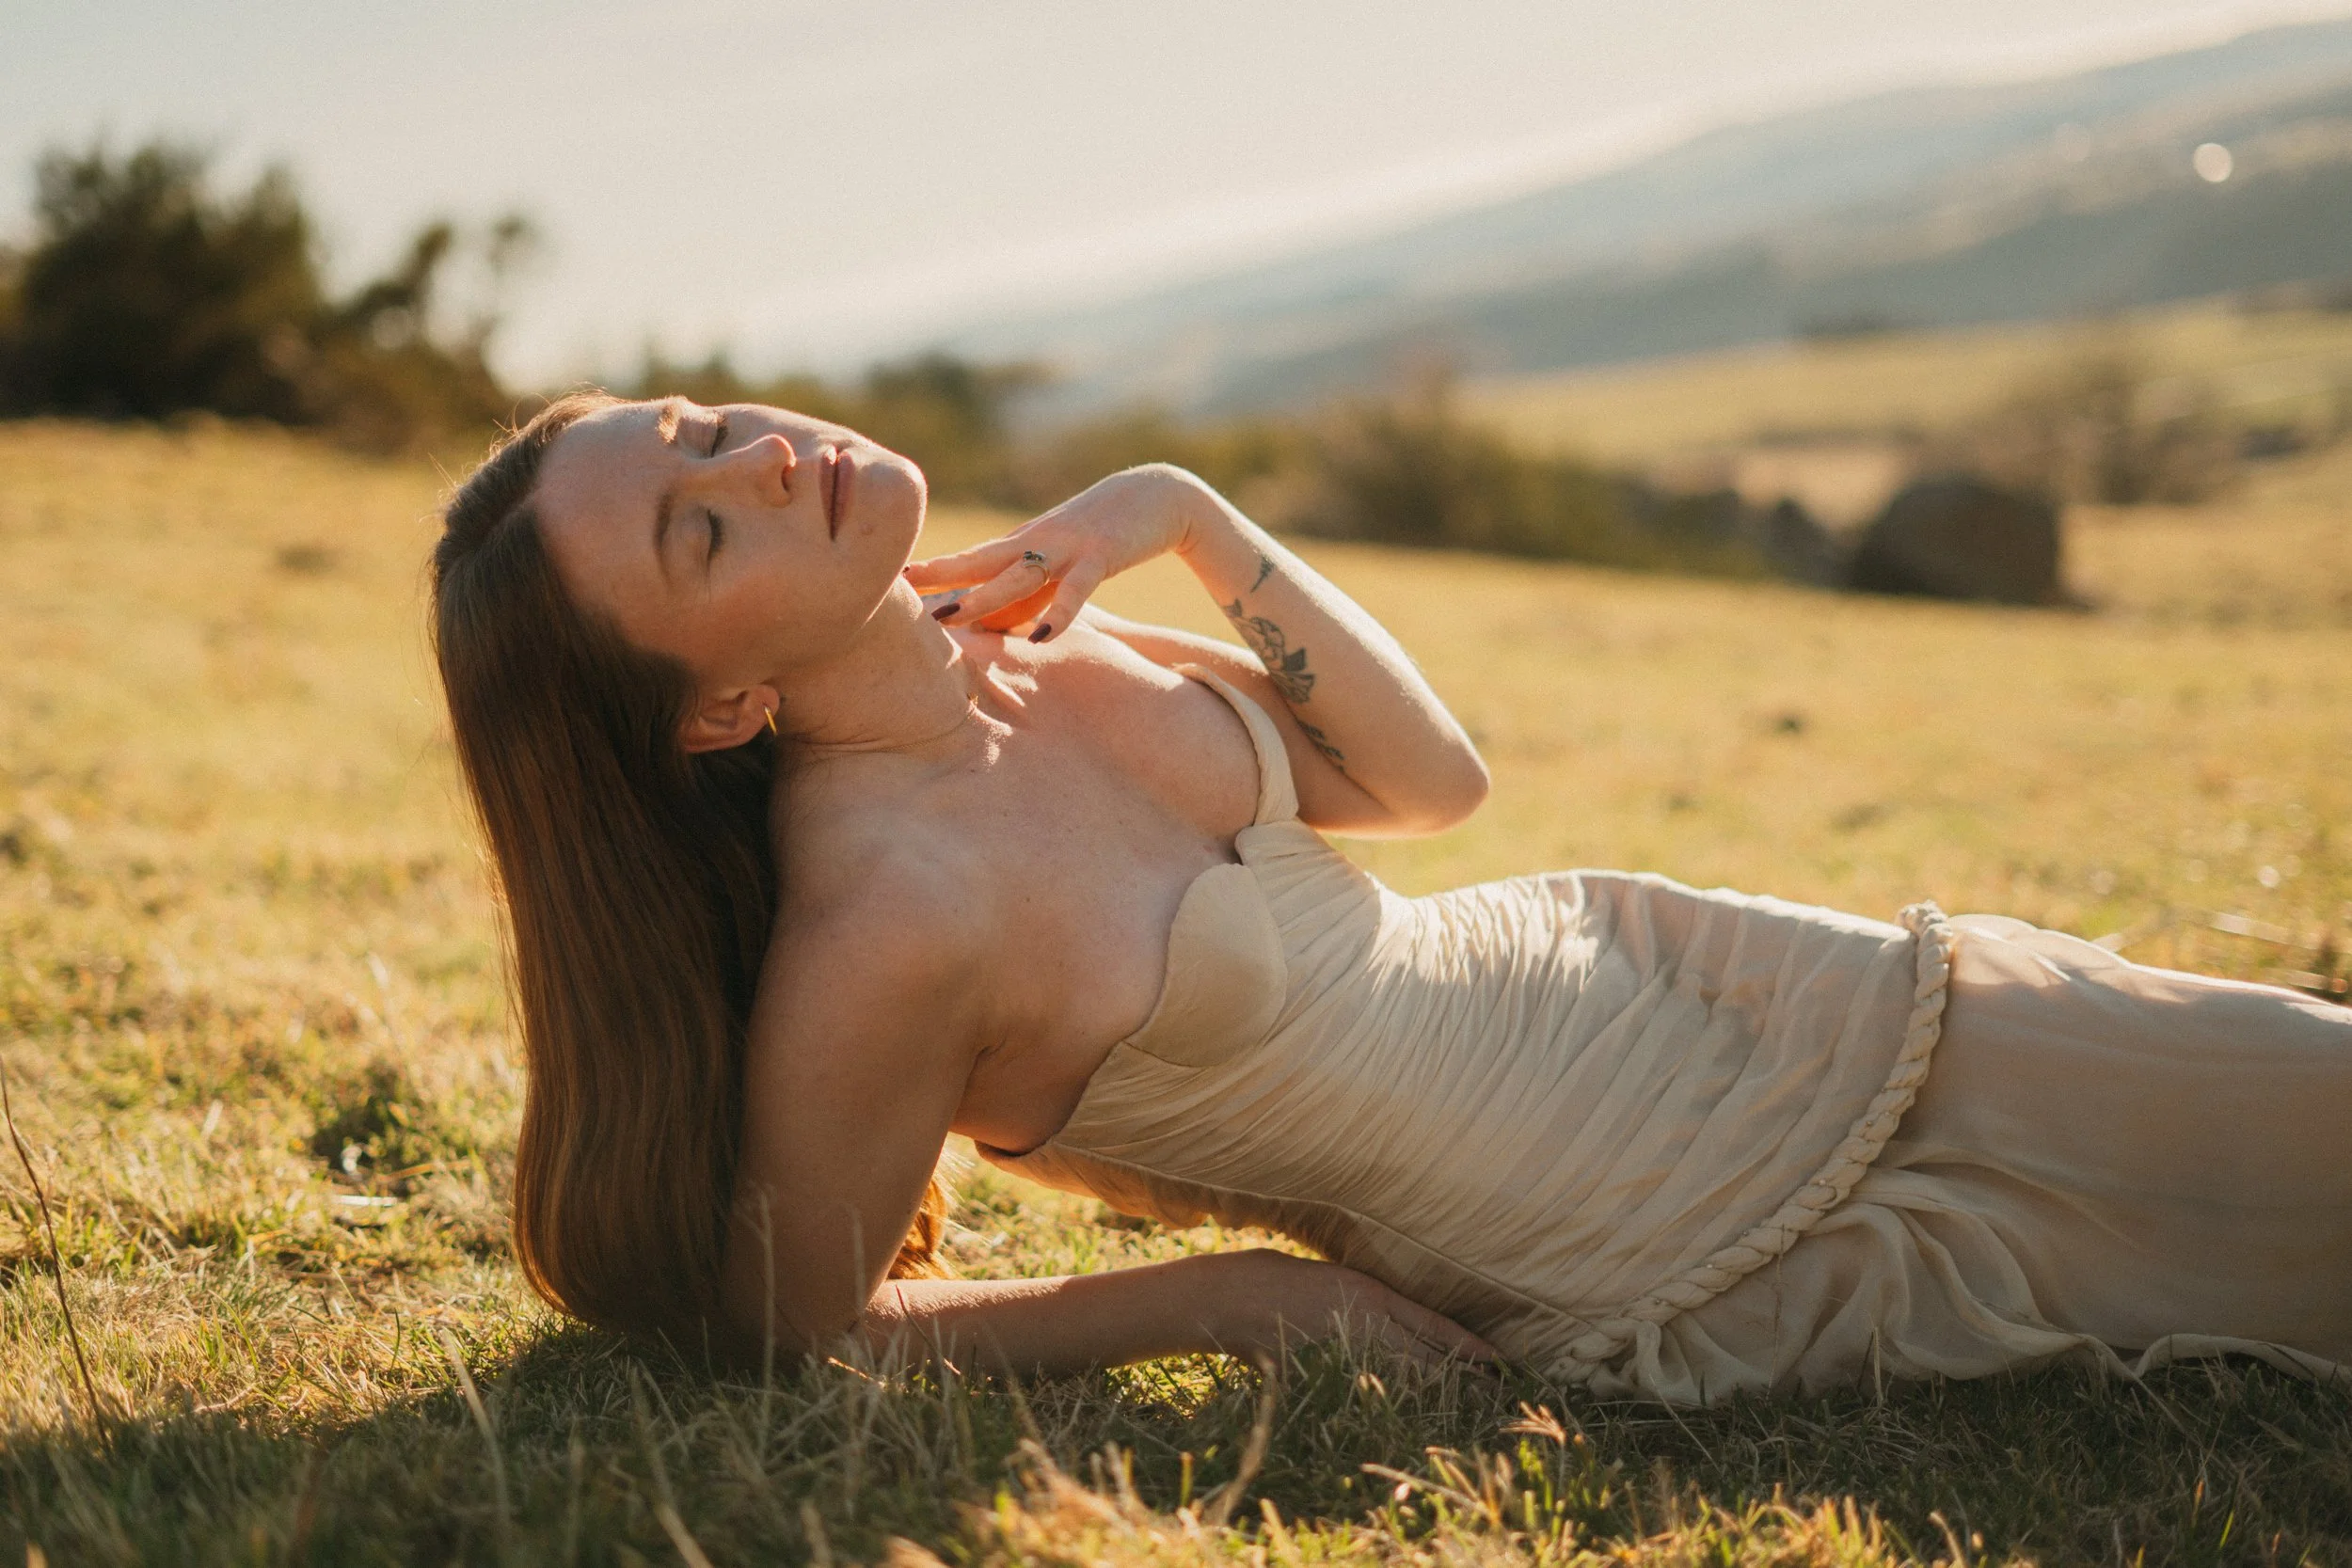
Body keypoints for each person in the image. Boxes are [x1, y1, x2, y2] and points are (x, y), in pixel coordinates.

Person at [429, 392, 2351, 1404]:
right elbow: (791, 1329)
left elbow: (1431, 785)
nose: (765, 459)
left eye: (699, 431)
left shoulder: (1055, 650)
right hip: (1677, 1233)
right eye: (704, 525)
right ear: (723, 706)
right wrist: (1232, 1298)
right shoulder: (889, 922)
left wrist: (1183, 511)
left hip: (1727, 979)